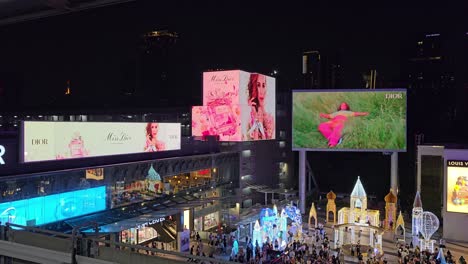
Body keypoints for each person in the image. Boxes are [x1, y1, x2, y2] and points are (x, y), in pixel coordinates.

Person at [246, 73, 274, 140]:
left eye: (263, 85)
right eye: (258, 85)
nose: (261, 91)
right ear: (253, 88)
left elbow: (267, 143)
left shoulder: (270, 118)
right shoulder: (247, 117)